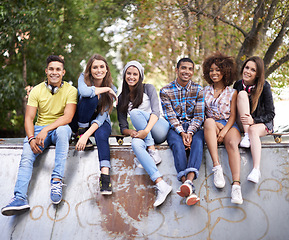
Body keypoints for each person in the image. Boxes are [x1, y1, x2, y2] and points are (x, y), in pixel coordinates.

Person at [1, 55, 78, 216]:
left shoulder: (71, 91)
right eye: (51, 69)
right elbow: (29, 118)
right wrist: (30, 138)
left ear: (63, 72)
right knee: (26, 158)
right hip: (38, 131)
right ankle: (19, 198)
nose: (54, 72)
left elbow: (67, 118)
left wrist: (46, 130)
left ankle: (56, 181)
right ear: (46, 71)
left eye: (58, 69)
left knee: (64, 130)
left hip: (58, 128)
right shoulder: (36, 90)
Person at [117, 60, 172, 207]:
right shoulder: (121, 98)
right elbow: (123, 128)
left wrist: (146, 132)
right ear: (124, 75)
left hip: (158, 128)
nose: (132, 77)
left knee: (135, 113)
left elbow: (156, 112)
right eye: (129, 73)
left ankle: (153, 151)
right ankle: (161, 184)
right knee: (135, 143)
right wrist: (133, 133)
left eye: (135, 74)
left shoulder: (148, 88)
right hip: (143, 135)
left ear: (140, 76)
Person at [160, 58, 204, 206]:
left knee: (198, 142)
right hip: (174, 128)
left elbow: (199, 116)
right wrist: (182, 133)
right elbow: (170, 116)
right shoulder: (165, 91)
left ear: (193, 71)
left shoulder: (198, 90)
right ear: (177, 70)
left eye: (190, 69)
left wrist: (190, 132)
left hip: (195, 127)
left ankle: (188, 183)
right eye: (183, 68)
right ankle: (188, 185)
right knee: (177, 145)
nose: (187, 71)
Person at [71, 54, 117, 195]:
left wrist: (86, 136)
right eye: (95, 67)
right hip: (79, 120)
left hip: (98, 122)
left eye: (102, 67)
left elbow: (101, 118)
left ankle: (105, 177)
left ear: (106, 69)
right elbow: (84, 92)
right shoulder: (83, 78)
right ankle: (80, 131)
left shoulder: (113, 87)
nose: (99, 70)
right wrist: (106, 90)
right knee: (90, 97)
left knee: (102, 135)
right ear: (90, 70)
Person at [202, 52, 243, 204]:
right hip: (211, 125)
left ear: (225, 71)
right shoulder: (203, 91)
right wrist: (215, 123)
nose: (214, 73)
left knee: (232, 143)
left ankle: (236, 186)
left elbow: (233, 115)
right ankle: (217, 167)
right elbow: (202, 114)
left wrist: (224, 130)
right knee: (209, 123)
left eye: (218, 70)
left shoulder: (232, 92)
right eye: (212, 70)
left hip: (229, 124)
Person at [234, 56, 275, 184]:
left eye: (253, 70)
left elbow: (271, 113)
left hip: (261, 123)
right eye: (247, 68)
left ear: (257, 74)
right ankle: (246, 135)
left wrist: (254, 120)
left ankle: (256, 170)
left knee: (253, 130)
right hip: (243, 123)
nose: (248, 71)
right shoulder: (238, 84)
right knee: (241, 94)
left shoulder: (264, 86)